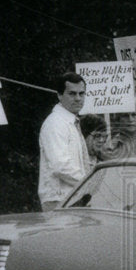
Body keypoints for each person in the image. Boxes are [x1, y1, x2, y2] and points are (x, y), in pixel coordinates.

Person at [38, 72, 91, 211]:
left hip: (72, 197)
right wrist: (88, 182)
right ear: (59, 95)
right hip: (59, 200)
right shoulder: (55, 123)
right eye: (72, 94)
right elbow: (60, 165)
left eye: (82, 93)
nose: (78, 98)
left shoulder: (69, 122)